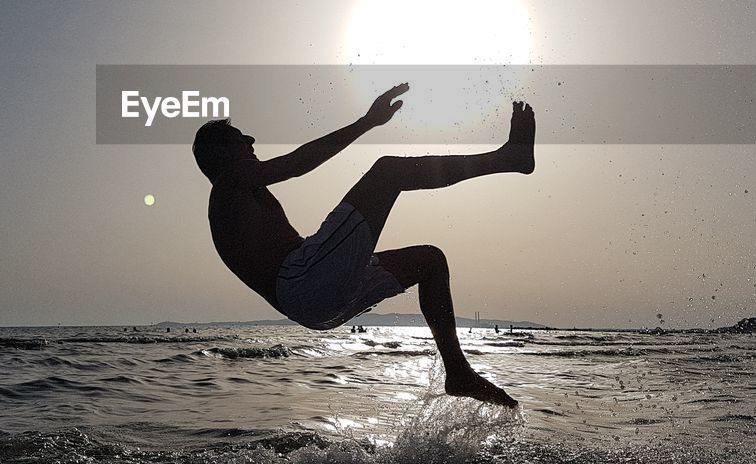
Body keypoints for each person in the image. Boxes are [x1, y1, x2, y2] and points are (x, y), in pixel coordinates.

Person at [194, 83, 535, 407]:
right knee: (388, 171)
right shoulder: (229, 183)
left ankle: (458, 372)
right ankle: (506, 159)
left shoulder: (235, 198)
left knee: (430, 262)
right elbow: (299, 164)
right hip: (303, 280)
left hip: (311, 304)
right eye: (240, 138)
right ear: (222, 153)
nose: (251, 140)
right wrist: (367, 122)